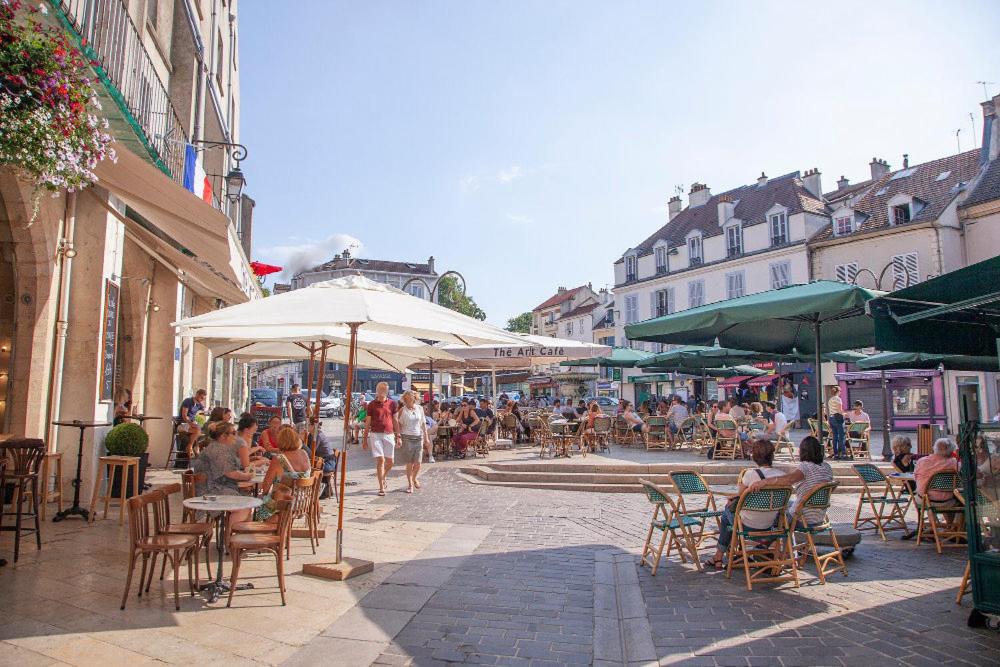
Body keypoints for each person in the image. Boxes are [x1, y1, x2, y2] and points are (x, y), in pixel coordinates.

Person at [703, 439, 784, 569]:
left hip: (748, 525)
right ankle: (748, 551)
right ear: (772, 456)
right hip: (770, 525)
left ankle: (718, 556)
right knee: (732, 515)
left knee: (727, 514)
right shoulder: (781, 476)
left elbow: (739, 499)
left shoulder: (750, 474)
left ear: (755, 457)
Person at [746, 436, 834, 532]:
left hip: (803, 518)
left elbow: (789, 480)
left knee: (778, 507)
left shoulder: (805, 467)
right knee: (787, 503)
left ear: (803, 451)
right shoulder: (827, 467)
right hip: (819, 516)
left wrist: (764, 481)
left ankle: (776, 543)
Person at [192, 421, 255, 528]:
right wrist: (247, 476)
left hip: (216, 487)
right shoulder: (218, 450)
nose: (236, 436)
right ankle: (229, 539)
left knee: (248, 502)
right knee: (244, 507)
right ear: (223, 436)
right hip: (209, 492)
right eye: (233, 433)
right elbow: (230, 473)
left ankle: (239, 539)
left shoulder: (219, 448)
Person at [256, 427, 313, 521]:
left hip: (285, 503)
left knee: (259, 503)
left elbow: (265, 488)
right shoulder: (304, 454)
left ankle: (267, 527)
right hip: (303, 501)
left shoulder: (279, 459)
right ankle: (279, 528)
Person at [363, 382, 399, 496]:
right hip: (375, 434)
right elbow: (368, 422)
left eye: (385, 389)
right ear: (377, 390)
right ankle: (381, 487)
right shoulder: (372, 405)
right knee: (381, 460)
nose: (383, 391)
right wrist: (364, 439)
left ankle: (383, 477)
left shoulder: (392, 403)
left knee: (390, 462)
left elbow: (395, 420)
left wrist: (398, 436)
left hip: (389, 434)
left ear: (387, 391)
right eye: (381, 389)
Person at [398, 391, 430, 493]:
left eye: (410, 399)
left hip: (418, 437)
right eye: (406, 399)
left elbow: (423, 423)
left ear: (414, 398)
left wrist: (426, 437)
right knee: (409, 463)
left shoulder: (419, 408)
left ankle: (414, 477)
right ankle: (410, 484)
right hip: (407, 437)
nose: (408, 401)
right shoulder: (402, 410)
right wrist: (398, 436)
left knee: (418, 463)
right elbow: (398, 424)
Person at [313, 421, 339, 499]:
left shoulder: (318, 436)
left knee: (313, 470)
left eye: (307, 425)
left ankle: (320, 491)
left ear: (312, 426)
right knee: (316, 465)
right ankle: (326, 491)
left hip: (328, 464)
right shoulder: (319, 434)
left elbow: (312, 451)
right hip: (329, 461)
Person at [177, 388, 207, 455]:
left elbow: (203, 413)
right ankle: (190, 447)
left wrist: (206, 412)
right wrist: (192, 424)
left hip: (191, 426)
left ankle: (191, 447)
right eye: (201, 397)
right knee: (198, 430)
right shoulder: (188, 401)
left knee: (201, 431)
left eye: (203, 399)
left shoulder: (199, 405)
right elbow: (184, 416)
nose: (202, 400)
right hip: (182, 424)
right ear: (197, 394)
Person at [827, 386, 846, 460]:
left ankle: (836, 454)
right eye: (840, 391)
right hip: (838, 418)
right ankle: (843, 454)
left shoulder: (830, 399)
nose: (841, 393)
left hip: (831, 418)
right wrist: (845, 414)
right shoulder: (838, 399)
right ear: (838, 391)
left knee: (835, 437)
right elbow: (839, 410)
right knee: (842, 436)